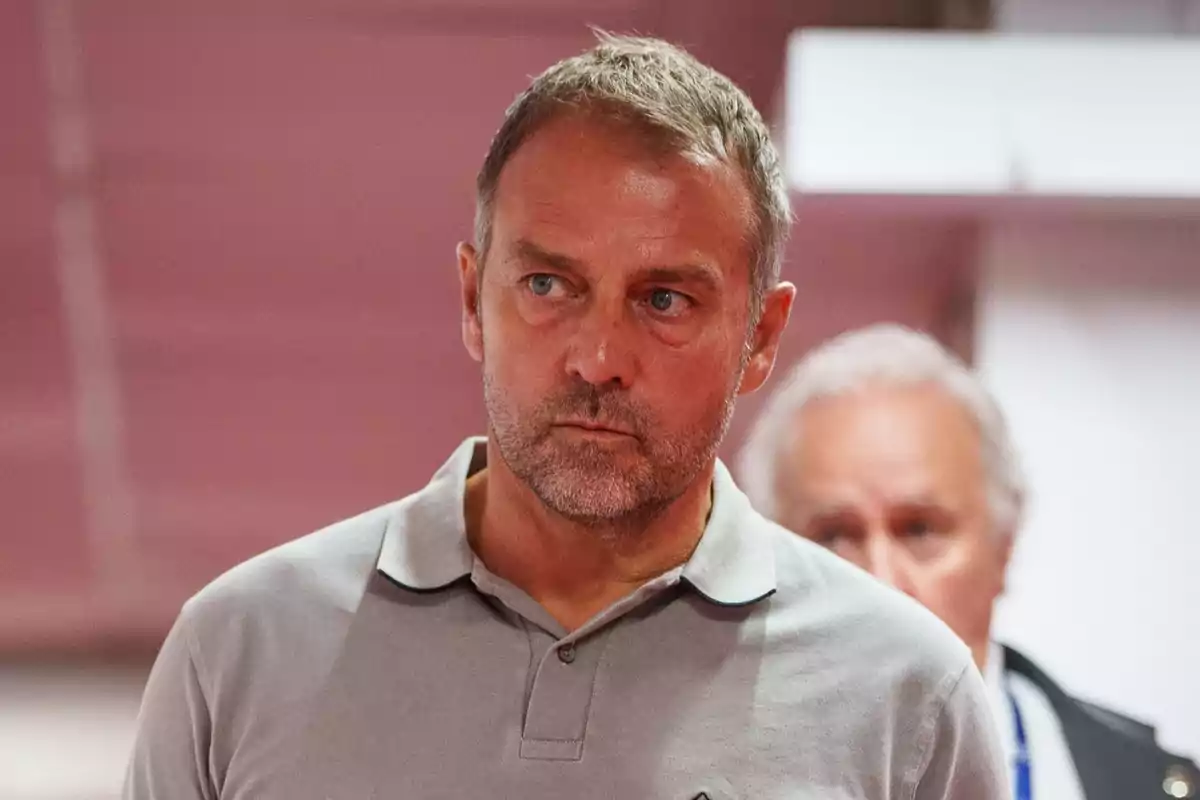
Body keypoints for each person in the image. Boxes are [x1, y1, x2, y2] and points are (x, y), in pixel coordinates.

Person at [124, 36, 1007, 799]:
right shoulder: (239, 652)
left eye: (664, 300)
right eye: (549, 286)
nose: (598, 358)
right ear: (474, 299)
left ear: (761, 336)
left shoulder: (907, 697)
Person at [738, 323, 1200, 800]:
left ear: (1004, 546)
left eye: (920, 530)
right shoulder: (691, 778)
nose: (881, 581)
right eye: (834, 537)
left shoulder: (1148, 785)